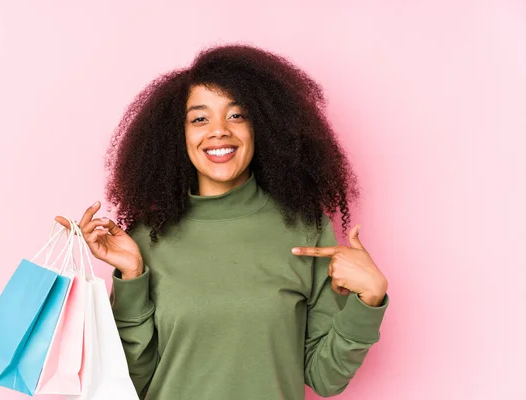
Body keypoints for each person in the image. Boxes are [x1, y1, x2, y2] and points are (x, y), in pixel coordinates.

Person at [55, 43, 389, 400]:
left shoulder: (307, 229)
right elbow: (129, 382)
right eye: (200, 118)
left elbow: (326, 378)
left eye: (237, 115)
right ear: (177, 136)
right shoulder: (146, 237)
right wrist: (133, 277)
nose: (219, 131)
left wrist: (368, 301)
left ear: (263, 127)